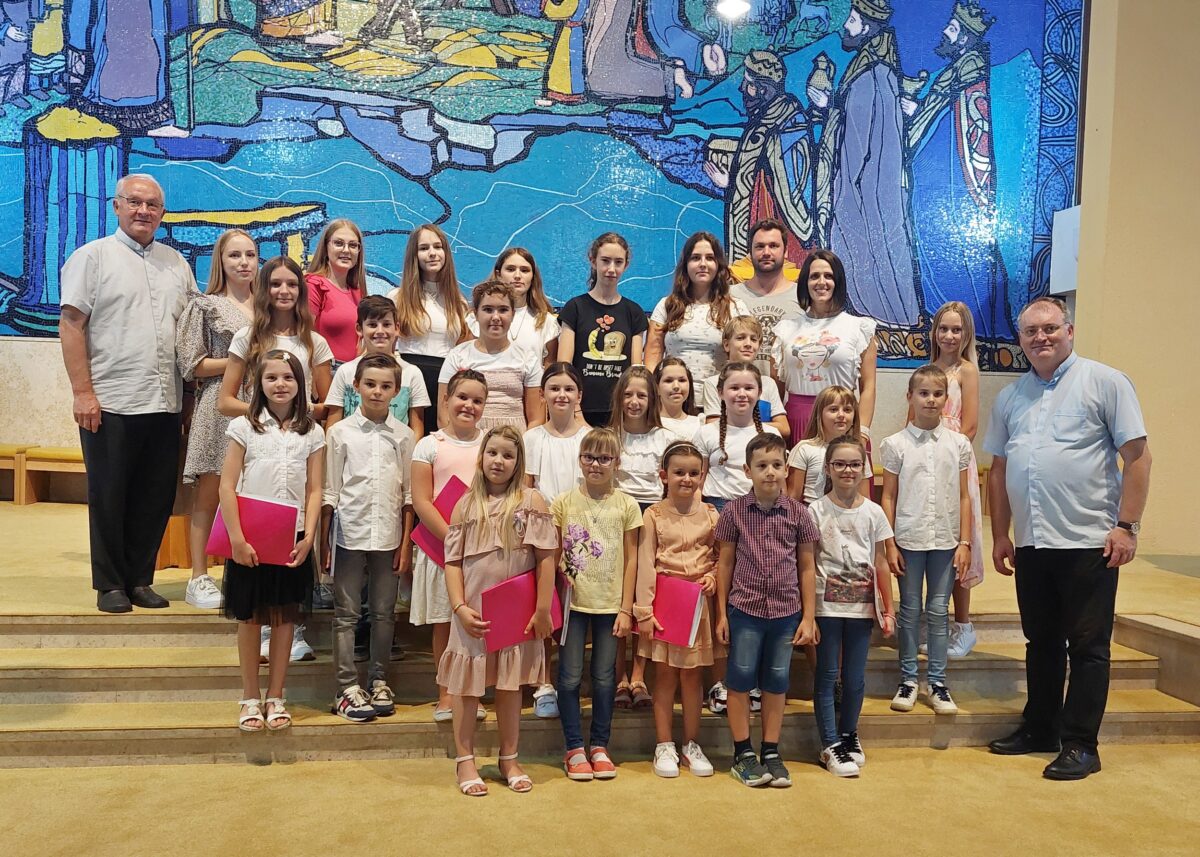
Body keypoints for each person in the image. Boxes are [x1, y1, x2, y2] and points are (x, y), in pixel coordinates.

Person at [985, 297, 1151, 781]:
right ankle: (1041, 727)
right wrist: (1000, 533)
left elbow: (1138, 457)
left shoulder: (1105, 382)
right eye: (1031, 331)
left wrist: (1127, 526)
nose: (1041, 337)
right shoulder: (1011, 396)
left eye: (1050, 328)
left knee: (1088, 647)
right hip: (1033, 541)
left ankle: (1081, 744)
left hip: (1089, 540)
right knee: (1041, 641)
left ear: (1069, 331)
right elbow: (999, 469)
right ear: (1020, 339)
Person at [59, 173, 197, 613]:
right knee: (109, 494)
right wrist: (83, 392)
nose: (143, 211)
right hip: (111, 399)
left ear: (162, 213)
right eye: (134, 202)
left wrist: (189, 399)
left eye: (152, 204)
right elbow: (71, 325)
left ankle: (140, 579)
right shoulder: (92, 257)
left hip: (165, 400)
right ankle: (110, 584)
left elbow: (190, 333)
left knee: (154, 497)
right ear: (116, 206)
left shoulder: (176, 263)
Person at [219, 255, 334, 651]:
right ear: (263, 289)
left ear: (301, 291)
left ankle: (291, 627)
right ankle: (263, 628)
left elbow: (326, 402)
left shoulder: (314, 342)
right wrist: (264, 416)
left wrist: (299, 414)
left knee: (293, 542)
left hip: (298, 443)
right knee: (259, 547)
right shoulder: (248, 337)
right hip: (259, 443)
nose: (284, 291)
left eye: (292, 284)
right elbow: (225, 400)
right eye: (275, 284)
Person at [439, 426, 558, 795]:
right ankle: (465, 760)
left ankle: (509, 758)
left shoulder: (532, 501)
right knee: (466, 688)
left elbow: (546, 558)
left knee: (510, 685)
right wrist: (459, 607)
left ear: (518, 462)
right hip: (472, 613)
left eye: (508, 455)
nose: (499, 461)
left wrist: (542, 609)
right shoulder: (464, 504)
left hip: (515, 615)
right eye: (492, 453)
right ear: (481, 456)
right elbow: (453, 562)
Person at [220, 350, 324, 733]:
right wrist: (236, 538)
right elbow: (227, 486)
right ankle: (250, 696)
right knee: (249, 617)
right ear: (258, 384)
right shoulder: (244, 428)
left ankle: (276, 694)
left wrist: (309, 535)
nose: (280, 384)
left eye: (288, 377)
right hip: (250, 538)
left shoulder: (312, 432)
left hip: (292, 538)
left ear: (301, 383)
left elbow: (315, 489)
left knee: (283, 618)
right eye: (272, 377)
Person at [715, 432, 818, 788]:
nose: (770, 472)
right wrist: (721, 614)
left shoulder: (799, 514)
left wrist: (808, 616)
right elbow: (724, 564)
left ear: (787, 468)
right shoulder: (733, 512)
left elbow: (807, 567)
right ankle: (742, 753)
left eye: (776, 465)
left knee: (776, 682)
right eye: (761, 466)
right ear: (748, 471)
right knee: (740, 679)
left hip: (786, 613)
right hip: (745, 610)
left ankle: (771, 751)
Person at [809, 0, 919, 325]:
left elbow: (859, 140)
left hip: (863, 191)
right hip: (865, 186)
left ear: (867, 26)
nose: (846, 26)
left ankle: (884, 319)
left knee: (867, 251)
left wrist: (829, 106)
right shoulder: (872, 70)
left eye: (852, 19)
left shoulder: (872, 75)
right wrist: (831, 105)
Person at [323, 354, 415, 723]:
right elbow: (330, 492)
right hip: (349, 533)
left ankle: (379, 680)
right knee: (346, 614)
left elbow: (409, 496)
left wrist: (406, 545)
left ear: (396, 391)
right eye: (371, 384)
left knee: (383, 613)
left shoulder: (404, 435)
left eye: (386, 386)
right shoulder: (339, 433)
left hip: (389, 536)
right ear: (356, 386)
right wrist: (324, 544)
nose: (377, 391)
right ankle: (346, 686)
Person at [881, 365, 973, 716]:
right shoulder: (895, 444)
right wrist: (889, 543)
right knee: (909, 610)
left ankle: (937, 682)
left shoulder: (958, 444)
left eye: (937, 394)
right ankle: (908, 679)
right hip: (908, 538)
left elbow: (964, 496)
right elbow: (888, 496)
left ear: (946, 398)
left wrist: (965, 542)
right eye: (923, 393)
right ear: (910, 397)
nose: (931, 400)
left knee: (937, 611)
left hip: (946, 540)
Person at [552, 428, 641, 781]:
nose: (596, 464)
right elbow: (553, 554)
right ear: (580, 460)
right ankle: (574, 746)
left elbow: (632, 560)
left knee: (605, 678)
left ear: (617, 463)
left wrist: (626, 608)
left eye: (604, 458)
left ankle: (600, 745)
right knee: (570, 676)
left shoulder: (627, 505)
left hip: (610, 606)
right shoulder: (562, 503)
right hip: (573, 606)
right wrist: (562, 572)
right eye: (589, 457)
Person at [175, 228, 257, 609]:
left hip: (262, 404)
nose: (243, 262)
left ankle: (245, 573)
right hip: (219, 404)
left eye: (250, 255)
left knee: (253, 490)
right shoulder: (206, 305)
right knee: (210, 492)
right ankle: (198, 576)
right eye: (234, 255)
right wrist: (239, 361)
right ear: (220, 261)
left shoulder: (269, 305)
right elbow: (193, 365)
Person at [809, 435, 894, 777]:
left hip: (862, 609)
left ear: (865, 468)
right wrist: (807, 613)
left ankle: (848, 734)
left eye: (855, 464)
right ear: (828, 468)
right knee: (828, 674)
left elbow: (881, 562)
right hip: (826, 608)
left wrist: (888, 609)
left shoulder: (874, 512)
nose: (848, 470)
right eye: (840, 464)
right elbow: (807, 562)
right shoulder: (815, 510)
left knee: (855, 677)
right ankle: (829, 743)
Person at [634, 441, 719, 778]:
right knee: (666, 674)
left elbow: (719, 556)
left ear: (702, 476)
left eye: (694, 473)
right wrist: (644, 610)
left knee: (693, 676)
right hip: (665, 603)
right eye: (679, 472)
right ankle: (664, 743)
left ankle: (691, 744)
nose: (687, 479)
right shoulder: (653, 515)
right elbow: (645, 563)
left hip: (697, 604)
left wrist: (712, 576)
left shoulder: (711, 514)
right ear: (663, 475)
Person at [411, 369, 489, 722]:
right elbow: (422, 500)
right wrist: (453, 539)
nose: (469, 405)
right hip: (441, 547)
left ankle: (474, 692)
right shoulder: (429, 445)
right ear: (446, 399)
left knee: (477, 622)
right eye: (462, 397)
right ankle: (445, 693)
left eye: (477, 400)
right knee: (445, 620)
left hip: (483, 549)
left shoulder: (489, 444)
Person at [522, 361, 588, 718]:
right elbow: (527, 488)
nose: (561, 395)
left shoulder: (589, 437)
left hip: (580, 532)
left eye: (568, 389)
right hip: (542, 534)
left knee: (575, 610)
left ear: (579, 396)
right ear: (543, 394)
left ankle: (569, 681)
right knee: (543, 607)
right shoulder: (532, 438)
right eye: (554, 388)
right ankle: (543, 683)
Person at [609, 366, 673, 709]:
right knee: (620, 595)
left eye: (642, 395)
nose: (634, 401)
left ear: (652, 400)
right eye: (628, 394)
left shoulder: (664, 438)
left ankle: (638, 674)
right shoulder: (610, 436)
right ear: (619, 397)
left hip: (651, 515)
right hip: (617, 515)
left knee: (645, 594)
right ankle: (618, 674)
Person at [924, 301, 984, 656]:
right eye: (943, 329)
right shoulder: (927, 370)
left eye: (956, 330)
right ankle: (935, 624)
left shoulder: (967, 371)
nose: (949, 336)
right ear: (934, 332)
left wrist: (946, 458)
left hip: (954, 462)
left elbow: (970, 426)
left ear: (966, 334)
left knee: (960, 542)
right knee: (932, 545)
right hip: (924, 464)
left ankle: (963, 626)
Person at [773, 249, 878, 444]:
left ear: (838, 281)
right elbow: (775, 391)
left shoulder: (859, 328)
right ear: (805, 283)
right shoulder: (785, 330)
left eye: (828, 276)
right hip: (797, 421)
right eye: (814, 276)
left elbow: (868, 387)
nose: (821, 282)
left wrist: (862, 433)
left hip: (843, 421)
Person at [557, 233, 647, 428]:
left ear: (626, 265)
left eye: (618, 262)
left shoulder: (634, 312)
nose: (611, 269)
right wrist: (576, 412)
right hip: (580, 412)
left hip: (620, 414)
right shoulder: (575, 308)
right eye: (605, 261)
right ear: (593, 260)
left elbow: (635, 372)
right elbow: (564, 368)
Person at [389, 223, 472, 426]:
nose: (432, 253)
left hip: (445, 383)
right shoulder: (396, 298)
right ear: (414, 255)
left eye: (438, 247)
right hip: (407, 381)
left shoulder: (459, 302)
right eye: (424, 248)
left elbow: (463, 349)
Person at [438, 281, 543, 431]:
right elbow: (443, 416)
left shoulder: (527, 358)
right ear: (475, 314)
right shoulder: (457, 355)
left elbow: (536, 419)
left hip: (514, 441)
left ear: (513, 314)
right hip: (467, 441)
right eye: (488, 309)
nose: (495, 317)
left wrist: (518, 444)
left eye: (503, 310)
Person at [645, 231, 749, 381]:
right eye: (695, 258)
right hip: (674, 394)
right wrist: (653, 389)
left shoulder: (736, 308)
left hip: (717, 394)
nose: (703, 264)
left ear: (718, 264)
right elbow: (653, 355)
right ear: (686, 264)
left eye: (710, 258)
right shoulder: (666, 305)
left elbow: (744, 359)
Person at [323, 295, 431, 435]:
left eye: (386, 324)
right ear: (359, 329)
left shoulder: (412, 373)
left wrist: (410, 449)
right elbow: (334, 420)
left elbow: (417, 425)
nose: (380, 331)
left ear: (397, 328)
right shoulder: (345, 371)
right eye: (372, 325)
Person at [728, 219, 803, 375]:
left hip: (789, 389)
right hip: (739, 387)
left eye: (773, 246)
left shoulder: (802, 297)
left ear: (786, 251)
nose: (766, 252)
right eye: (760, 246)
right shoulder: (730, 296)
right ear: (750, 252)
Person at [701, 316, 789, 437]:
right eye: (740, 338)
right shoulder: (713, 383)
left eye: (753, 339)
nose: (748, 344)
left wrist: (744, 426)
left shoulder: (768, 383)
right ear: (726, 345)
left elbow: (784, 428)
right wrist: (756, 427)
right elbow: (713, 426)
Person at [787, 385, 871, 504]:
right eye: (833, 409)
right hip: (811, 514)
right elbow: (792, 499)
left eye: (847, 410)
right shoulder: (804, 449)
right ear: (819, 414)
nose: (841, 415)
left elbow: (865, 499)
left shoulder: (858, 452)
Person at [306, 219, 366, 365]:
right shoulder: (314, 285)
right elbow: (304, 338)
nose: (346, 250)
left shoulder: (358, 292)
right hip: (325, 370)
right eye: (338, 243)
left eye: (353, 245)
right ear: (326, 247)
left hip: (354, 371)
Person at [487, 247, 560, 366]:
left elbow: (550, 369)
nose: (517, 275)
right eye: (510, 269)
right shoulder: (477, 318)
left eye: (524, 270)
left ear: (533, 276)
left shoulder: (546, 322)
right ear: (498, 274)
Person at [655, 356, 702, 441]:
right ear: (657, 388)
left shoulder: (699, 424)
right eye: (668, 381)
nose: (676, 386)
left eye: (682, 380)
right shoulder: (648, 424)